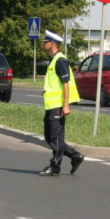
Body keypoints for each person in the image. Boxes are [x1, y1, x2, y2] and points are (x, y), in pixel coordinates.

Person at [39, 29, 85, 176]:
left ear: (52, 44)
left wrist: (66, 105)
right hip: (52, 105)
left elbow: (66, 83)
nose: (44, 44)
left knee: (56, 138)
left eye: (46, 42)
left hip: (58, 106)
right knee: (49, 136)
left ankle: (55, 167)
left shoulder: (60, 60)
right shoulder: (54, 60)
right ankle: (75, 156)